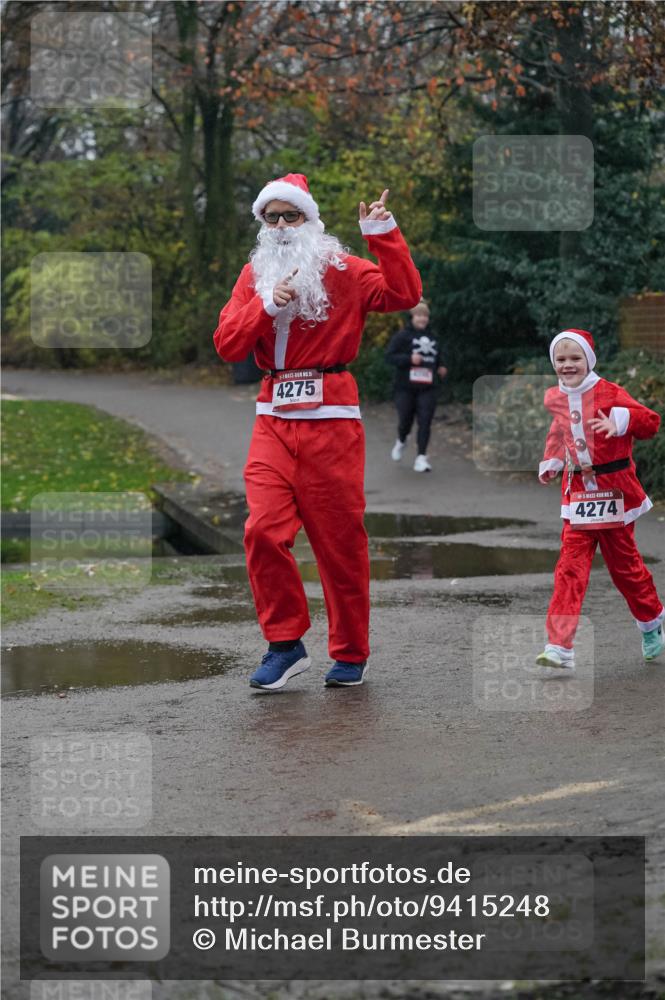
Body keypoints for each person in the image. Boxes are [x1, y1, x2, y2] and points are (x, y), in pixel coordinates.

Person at [213, 173, 422, 691]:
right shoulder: (253, 275)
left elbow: (403, 293)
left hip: (331, 423)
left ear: (311, 219)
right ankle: (285, 645)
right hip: (273, 421)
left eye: (292, 215)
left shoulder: (343, 268)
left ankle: (350, 651)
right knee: (262, 531)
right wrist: (266, 305)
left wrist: (383, 234)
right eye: (272, 218)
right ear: (262, 224)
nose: (282, 226)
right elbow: (227, 344)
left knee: (339, 545)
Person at [537, 328, 664, 672]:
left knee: (626, 571)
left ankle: (651, 622)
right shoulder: (555, 397)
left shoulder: (610, 392)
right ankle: (559, 646)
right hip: (578, 496)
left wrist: (620, 420)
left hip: (615, 494)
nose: (567, 365)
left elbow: (650, 423)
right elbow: (559, 430)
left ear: (589, 360)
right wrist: (552, 460)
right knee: (569, 569)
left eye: (575, 358)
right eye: (561, 359)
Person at [385, 300, 448, 472]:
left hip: (428, 387)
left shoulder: (433, 336)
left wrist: (442, 366)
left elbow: (439, 356)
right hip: (405, 387)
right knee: (405, 420)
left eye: (425, 315)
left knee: (425, 421)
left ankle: (421, 458)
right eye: (419, 315)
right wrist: (408, 359)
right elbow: (389, 357)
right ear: (412, 317)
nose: (422, 319)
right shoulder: (402, 336)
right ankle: (401, 440)